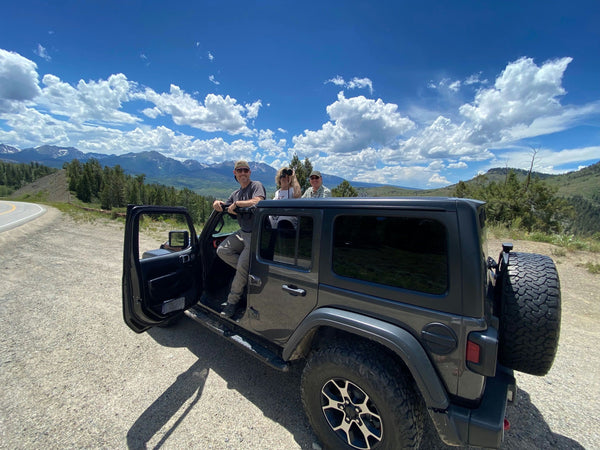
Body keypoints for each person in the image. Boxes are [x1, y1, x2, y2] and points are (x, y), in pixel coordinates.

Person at [212, 160, 266, 318]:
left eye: (246, 170)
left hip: (256, 234)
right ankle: (248, 272)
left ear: (250, 173)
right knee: (222, 250)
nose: (243, 173)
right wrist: (216, 203)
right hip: (242, 232)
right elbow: (225, 205)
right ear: (235, 173)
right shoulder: (235, 193)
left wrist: (238, 204)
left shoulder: (256, 185)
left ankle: (231, 303)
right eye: (239, 170)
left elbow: (259, 200)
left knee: (240, 269)